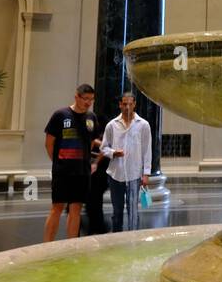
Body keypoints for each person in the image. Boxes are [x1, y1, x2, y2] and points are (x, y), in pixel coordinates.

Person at [44, 84, 100, 241]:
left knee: (76, 208)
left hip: (82, 172)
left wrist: (88, 162)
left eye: (91, 99)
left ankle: (72, 246)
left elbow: (90, 142)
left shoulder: (91, 118)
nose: (88, 102)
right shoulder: (60, 115)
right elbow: (49, 143)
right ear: (77, 97)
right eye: (85, 99)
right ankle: (46, 246)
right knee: (57, 208)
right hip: (62, 171)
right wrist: (58, 163)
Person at [100, 91, 152, 233]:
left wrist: (146, 173)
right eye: (124, 104)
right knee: (117, 211)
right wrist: (113, 153)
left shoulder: (143, 125)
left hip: (135, 174)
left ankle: (134, 239)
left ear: (134, 104)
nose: (127, 107)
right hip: (116, 174)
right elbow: (103, 147)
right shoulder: (112, 125)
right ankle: (118, 239)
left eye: (130, 104)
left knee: (133, 211)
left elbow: (147, 150)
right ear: (120, 105)